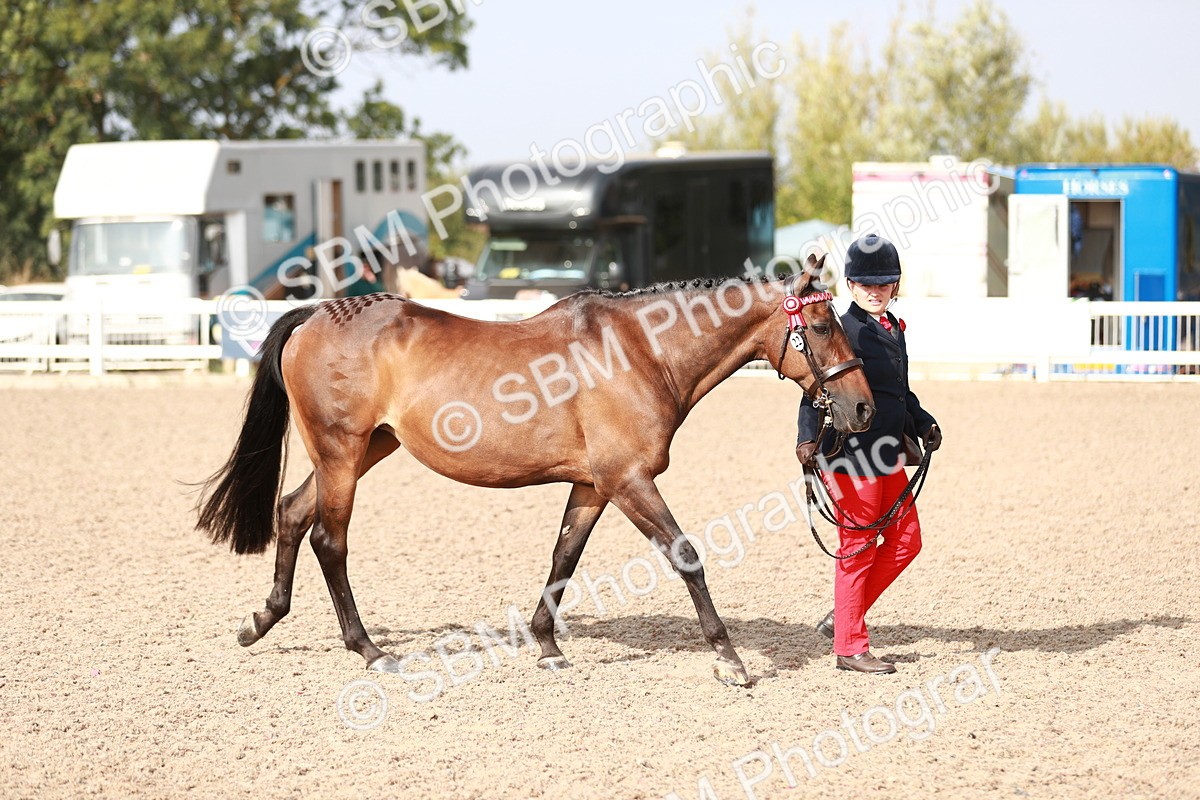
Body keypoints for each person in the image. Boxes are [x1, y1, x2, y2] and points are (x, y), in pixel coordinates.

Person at [796, 233, 941, 675]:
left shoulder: (891, 328)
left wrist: (921, 421)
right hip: (849, 456)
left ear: (895, 286)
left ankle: (845, 615)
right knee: (857, 548)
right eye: (865, 284)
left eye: (884, 283)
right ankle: (850, 646)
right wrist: (805, 438)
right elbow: (814, 388)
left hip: (887, 455)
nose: (875, 291)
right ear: (851, 286)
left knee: (906, 541)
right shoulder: (844, 331)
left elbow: (898, 391)